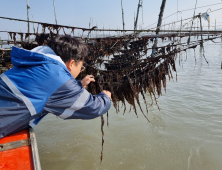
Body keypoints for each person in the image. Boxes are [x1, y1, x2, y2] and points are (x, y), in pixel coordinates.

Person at [0, 35, 111, 139]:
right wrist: (105, 97)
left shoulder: (37, 63)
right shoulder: (58, 76)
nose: (80, 71)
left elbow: (47, 90)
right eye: (81, 67)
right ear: (72, 63)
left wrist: (79, 85)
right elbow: (92, 108)